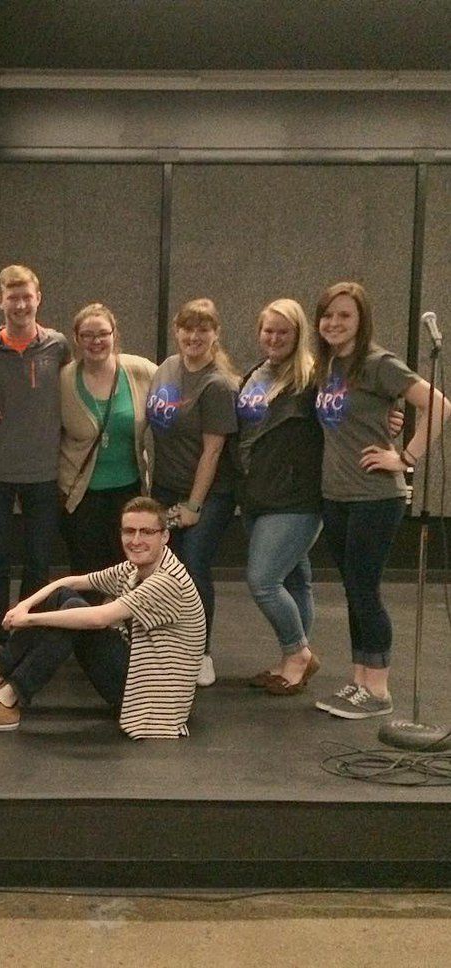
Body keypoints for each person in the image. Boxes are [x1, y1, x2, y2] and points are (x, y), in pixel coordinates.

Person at [0, 497, 205, 738]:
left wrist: (29, 620)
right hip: (138, 676)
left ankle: (6, 701)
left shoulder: (167, 582)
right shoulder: (136, 568)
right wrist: (25, 606)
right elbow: (71, 582)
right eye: (129, 531)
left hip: (151, 700)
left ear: (165, 536)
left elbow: (99, 618)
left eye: (146, 532)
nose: (136, 540)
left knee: (75, 616)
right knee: (63, 597)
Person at [312, 281, 450, 719]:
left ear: (362, 320)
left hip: (374, 497)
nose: (334, 322)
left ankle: (379, 688)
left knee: (364, 589)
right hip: (337, 495)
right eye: (328, 315)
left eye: (345, 315)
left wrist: (405, 458)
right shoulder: (329, 365)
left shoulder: (378, 363)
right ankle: (360, 680)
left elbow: (439, 405)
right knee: (353, 590)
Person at [0, 265, 71, 665]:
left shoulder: (58, 346)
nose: (20, 305)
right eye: (12, 298)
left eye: (26, 297)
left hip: (44, 471)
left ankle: (28, 634)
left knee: (37, 562)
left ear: (38, 299)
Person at [145, 298, 238, 687]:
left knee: (195, 566)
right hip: (165, 487)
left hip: (207, 493)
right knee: (164, 568)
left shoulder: (217, 385)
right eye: (187, 328)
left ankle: (200, 653)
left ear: (215, 334)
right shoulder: (167, 367)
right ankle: (169, 645)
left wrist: (194, 505)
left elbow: (212, 451)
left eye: (203, 329)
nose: (194, 336)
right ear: (177, 331)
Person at [237, 299, 323, 696]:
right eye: (268, 330)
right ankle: (295, 661)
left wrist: (391, 424)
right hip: (257, 493)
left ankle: (298, 653)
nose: (274, 338)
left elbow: (353, 412)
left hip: (296, 498)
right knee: (295, 579)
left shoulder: (313, 379)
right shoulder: (255, 374)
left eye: (283, 332)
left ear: (298, 334)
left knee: (264, 581)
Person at [59, 303, 157, 576]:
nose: (96, 341)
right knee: (88, 575)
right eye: (87, 335)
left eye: (103, 333)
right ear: (76, 339)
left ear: (114, 335)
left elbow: (178, 383)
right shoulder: (63, 380)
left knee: (128, 573)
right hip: (81, 498)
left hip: (129, 493)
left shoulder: (139, 371)